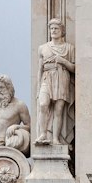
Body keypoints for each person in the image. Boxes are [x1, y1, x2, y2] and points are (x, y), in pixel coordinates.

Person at [35, 18, 76, 146]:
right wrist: (38, 87)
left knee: (59, 109)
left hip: (62, 77)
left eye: (56, 28)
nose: (53, 31)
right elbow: (39, 70)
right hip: (47, 78)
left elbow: (74, 68)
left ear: (62, 31)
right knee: (43, 104)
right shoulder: (42, 48)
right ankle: (43, 134)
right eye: (51, 28)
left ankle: (56, 138)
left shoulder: (69, 48)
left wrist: (62, 61)